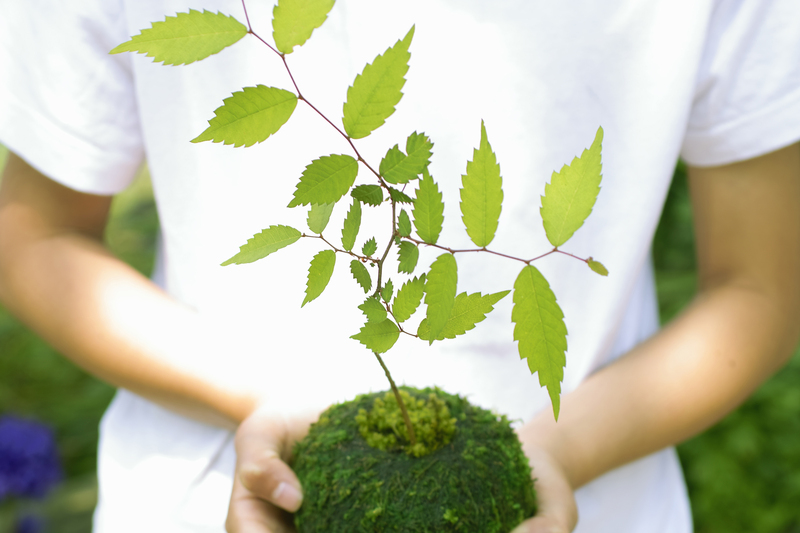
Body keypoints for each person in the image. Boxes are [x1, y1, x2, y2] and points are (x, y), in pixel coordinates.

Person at [1, 1, 800, 532]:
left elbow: (762, 285)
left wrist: (559, 448)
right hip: (198, 503)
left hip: (596, 499)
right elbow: (32, 234)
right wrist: (267, 405)